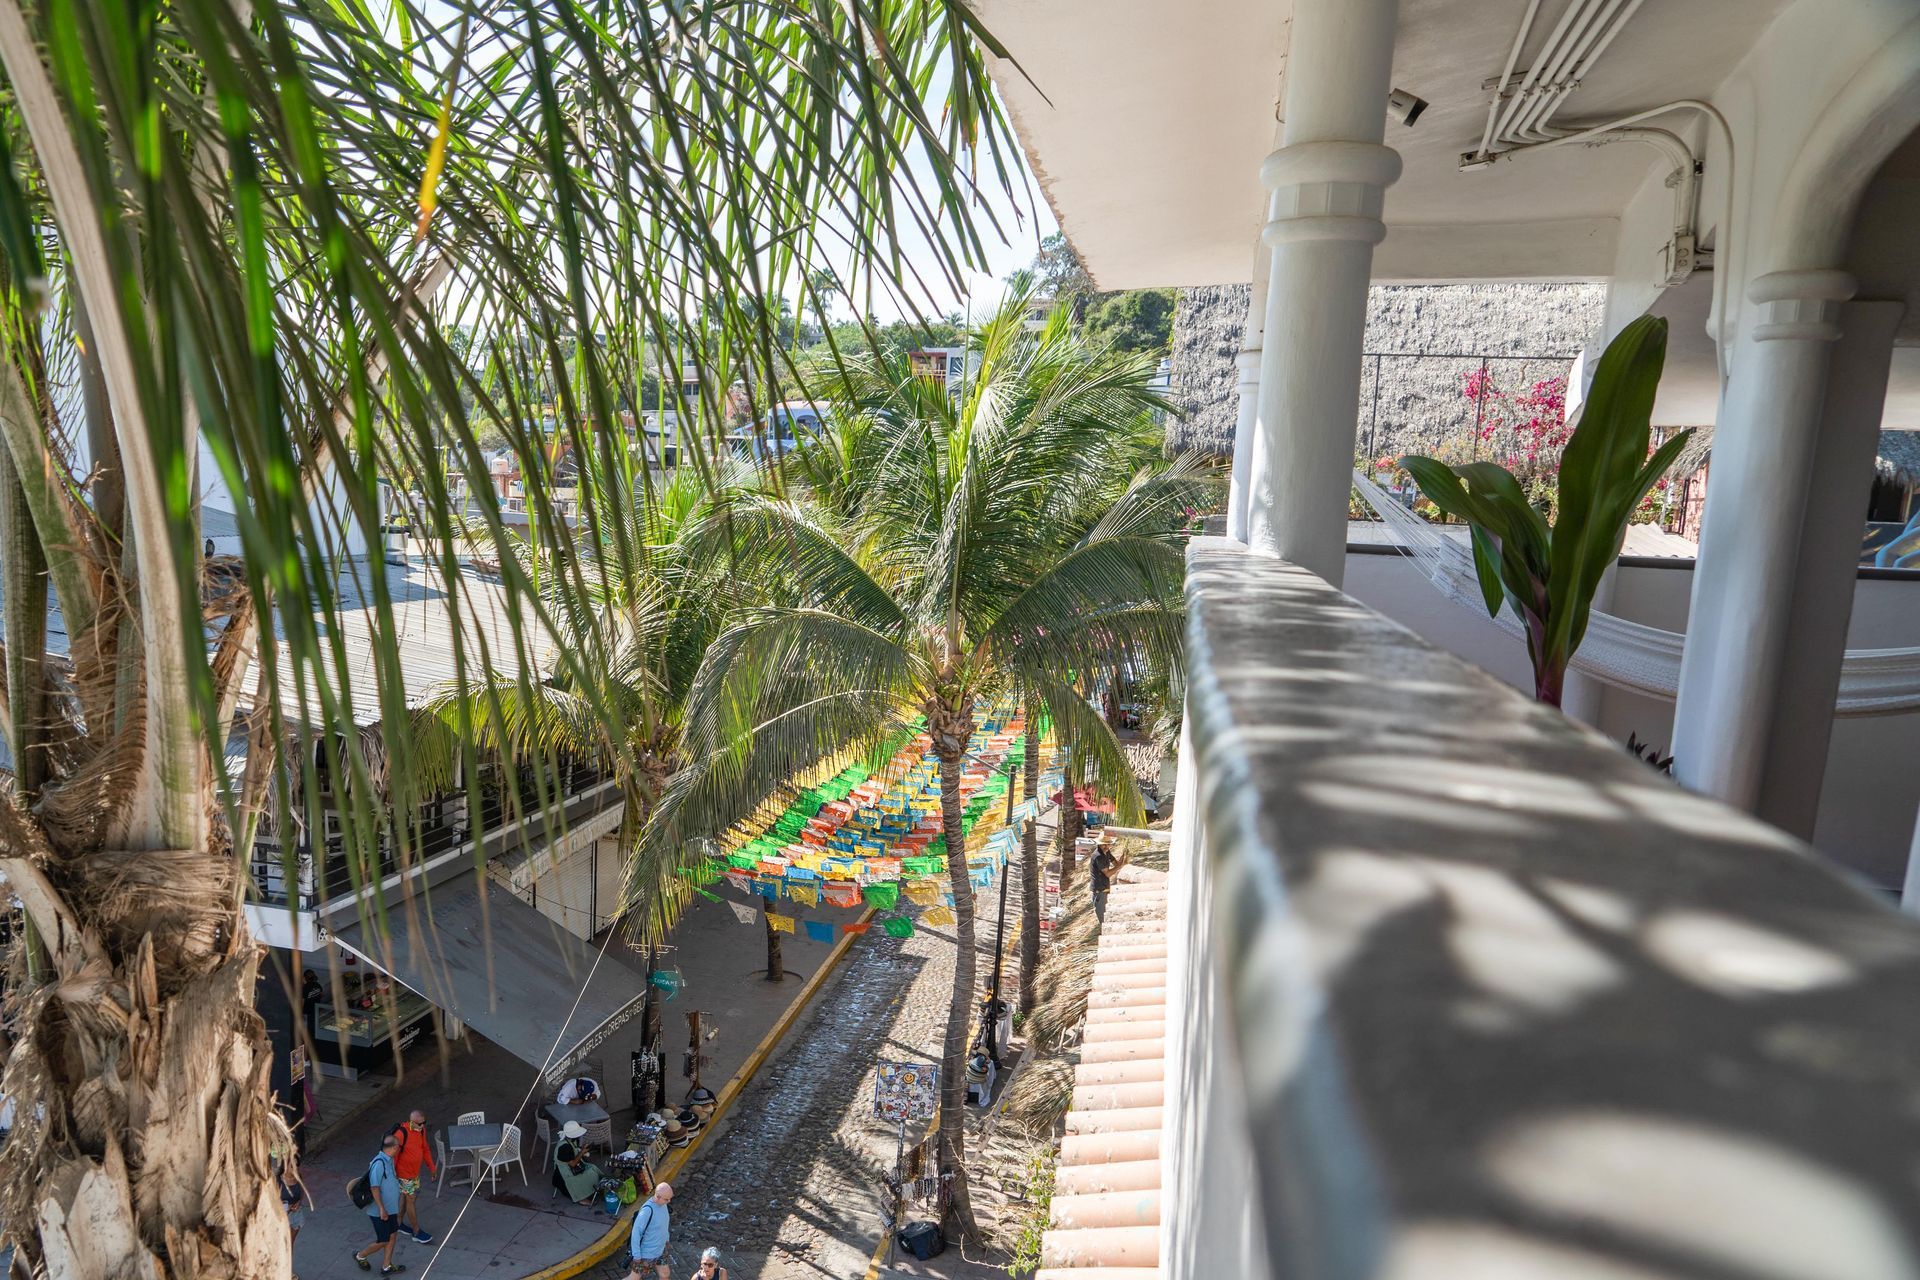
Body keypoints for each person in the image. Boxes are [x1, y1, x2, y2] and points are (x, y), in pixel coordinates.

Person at [353, 1132, 405, 1274]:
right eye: (399, 1147)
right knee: (383, 1240)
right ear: (394, 1147)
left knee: (393, 1235)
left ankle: (386, 1266)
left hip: (391, 1208)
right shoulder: (379, 1163)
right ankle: (360, 1255)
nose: (399, 1149)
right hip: (380, 1211)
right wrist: (382, 1209)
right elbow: (374, 1187)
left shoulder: (388, 1160)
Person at [389, 1111, 437, 1244]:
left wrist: (432, 1168)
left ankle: (398, 1223)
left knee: (405, 1197)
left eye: (424, 1123)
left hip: (414, 1173)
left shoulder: (421, 1131)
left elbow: (425, 1149)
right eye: (419, 1124)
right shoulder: (401, 1134)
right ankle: (416, 1231)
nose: (422, 1126)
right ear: (411, 1122)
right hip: (404, 1174)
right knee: (411, 1199)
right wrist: (393, 1176)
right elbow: (393, 1156)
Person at [626, 1182, 672, 1280]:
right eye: (666, 1199)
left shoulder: (663, 1205)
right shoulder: (647, 1211)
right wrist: (637, 1255)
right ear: (658, 1197)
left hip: (660, 1250)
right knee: (634, 1278)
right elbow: (636, 1233)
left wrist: (666, 1239)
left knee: (665, 1274)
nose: (669, 1201)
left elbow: (664, 1224)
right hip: (646, 1254)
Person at [551, 1120, 603, 1204]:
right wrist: (582, 1152)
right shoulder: (564, 1147)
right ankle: (581, 1198)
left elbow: (574, 1151)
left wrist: (581, 1149)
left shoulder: (570, 1141)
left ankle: (595, 1189)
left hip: (572, 1168)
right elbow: (572, 1164)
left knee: (593, 1168)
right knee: (590, 1174)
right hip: (563, 1175)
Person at [278, 1153, 311, 1279]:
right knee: (285, 1245)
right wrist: (287, 1208)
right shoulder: (278, 1181)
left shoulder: (298, 1177)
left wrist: (298, 1202)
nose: (295, 1169)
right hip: (283, 1217)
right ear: (285, 1166)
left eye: (296, 1166)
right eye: (292, 1166)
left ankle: (286, 1270)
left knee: (290, 1244)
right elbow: (272, 1202)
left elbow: (301, 1191)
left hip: (296, 1215)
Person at [1090, 840, 1122, 924]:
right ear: (1099, 844)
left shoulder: (1106, 852)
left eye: (1108, 844)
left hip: (1105, 888)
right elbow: (1107, 874)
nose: (1106, 847)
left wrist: (1121, 862)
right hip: (1099, 890)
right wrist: (1120, 866)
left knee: (1108, 915)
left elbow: (1116, 863)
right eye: (1104, 845)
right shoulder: (1098, 856)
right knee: (1103, 918)